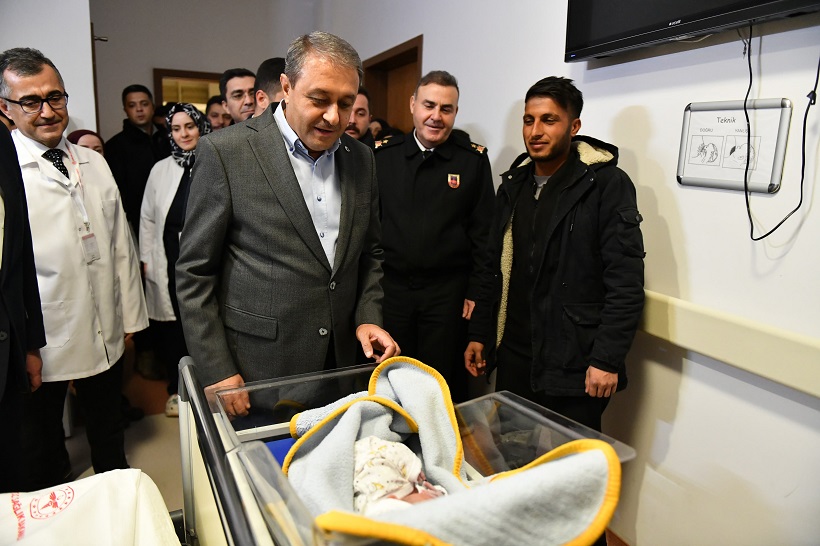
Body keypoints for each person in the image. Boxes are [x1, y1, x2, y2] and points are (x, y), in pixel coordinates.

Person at [176, 31, 398, 417]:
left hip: (342, 367)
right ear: (286, 86)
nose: (334, 117)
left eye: (346, 103)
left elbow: (370, 254)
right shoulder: (226, 152)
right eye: (319, 99)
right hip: (260, 372)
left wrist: (367, 317)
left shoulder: (361, 158)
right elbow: (195, 273)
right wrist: (218, 368)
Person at [0, 47, 148, 490]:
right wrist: (22, 344)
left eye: (55, 97)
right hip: (42, 338)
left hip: (103, 324)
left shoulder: (93, 160)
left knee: (108, 425)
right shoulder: (7, 171)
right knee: (43, 442)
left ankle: (115, 491)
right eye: (30, 102)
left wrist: (130, 317)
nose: (47, 112)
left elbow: (121, 243)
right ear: (5, 108)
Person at [465, 76, 645, 435]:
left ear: (574, 126)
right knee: (511, 453)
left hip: (575, 360)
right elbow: (492, 267)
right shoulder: (513, 185)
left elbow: (625, 281)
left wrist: (606, 359)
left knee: (571, 461)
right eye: (529, 120)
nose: (536, 131)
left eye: (549, 120)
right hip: (515, 356)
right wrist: (480, 333)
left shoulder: (605, 184)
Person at [374, 70, 494, 402]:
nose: (436, 116)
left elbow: (484, 239)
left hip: (446, 296)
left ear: (455, 112)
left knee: (440, 386)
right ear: (413, 104)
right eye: (429, 105)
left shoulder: (472, 161)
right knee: (390, 383)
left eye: (446, 109)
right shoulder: (382, 156)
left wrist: (476, 293)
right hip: (392, 292)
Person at [140, 103, 210, 418]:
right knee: (173, 328)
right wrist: (146, 258)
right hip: (169, 256)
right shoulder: (160, 169)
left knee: (204, 321)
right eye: (176, 128)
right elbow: (147, 219)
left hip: (205, 257)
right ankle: (177, 391)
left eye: (189, 126)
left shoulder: (215, 160)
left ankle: (209, 388)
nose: (184, 134)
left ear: (201, 127)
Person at [0, 123, 46, 493]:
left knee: (11, 472)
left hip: (8, 348)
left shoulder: (2, 144)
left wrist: (30, 344)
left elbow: (20, 260)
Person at [105, 84, 171, 237]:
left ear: (153, 107)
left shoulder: (169, 138)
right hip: (139, 223)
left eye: (144, 104)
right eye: (132, 105)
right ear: (125, 110)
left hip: (173, 216)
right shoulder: (115, 146)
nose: (139, 109)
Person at [353, 436, 446, 516]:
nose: (432, 499)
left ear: (392, 499)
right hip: (378, 453)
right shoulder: (420, 492)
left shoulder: (380, 507)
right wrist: (441, 495)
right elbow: (447, 504)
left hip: (361, 460)